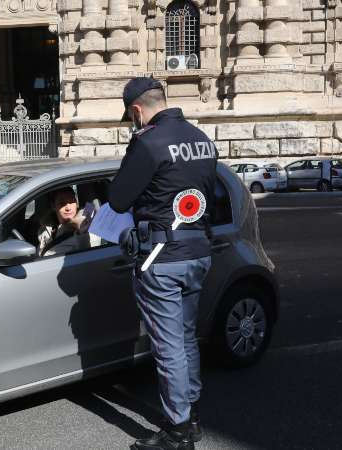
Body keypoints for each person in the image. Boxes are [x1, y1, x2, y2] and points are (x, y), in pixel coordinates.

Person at [108, 78, 218, 450]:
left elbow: (119, 200)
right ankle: (192, 416)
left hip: (161, 259)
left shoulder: (148, 142)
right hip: (198, 253)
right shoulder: (203, 140)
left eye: (130, 118)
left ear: (136, 111)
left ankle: (178, 432)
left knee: (169, 346)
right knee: (186, 339)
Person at [37, 187, 91, 257]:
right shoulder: (47, 227)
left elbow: (87, 256)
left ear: (76, 203)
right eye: (62, 203)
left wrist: (82, 233)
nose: (68, 208)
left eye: (71, 202)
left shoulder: (86, 228)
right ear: (53, 206)